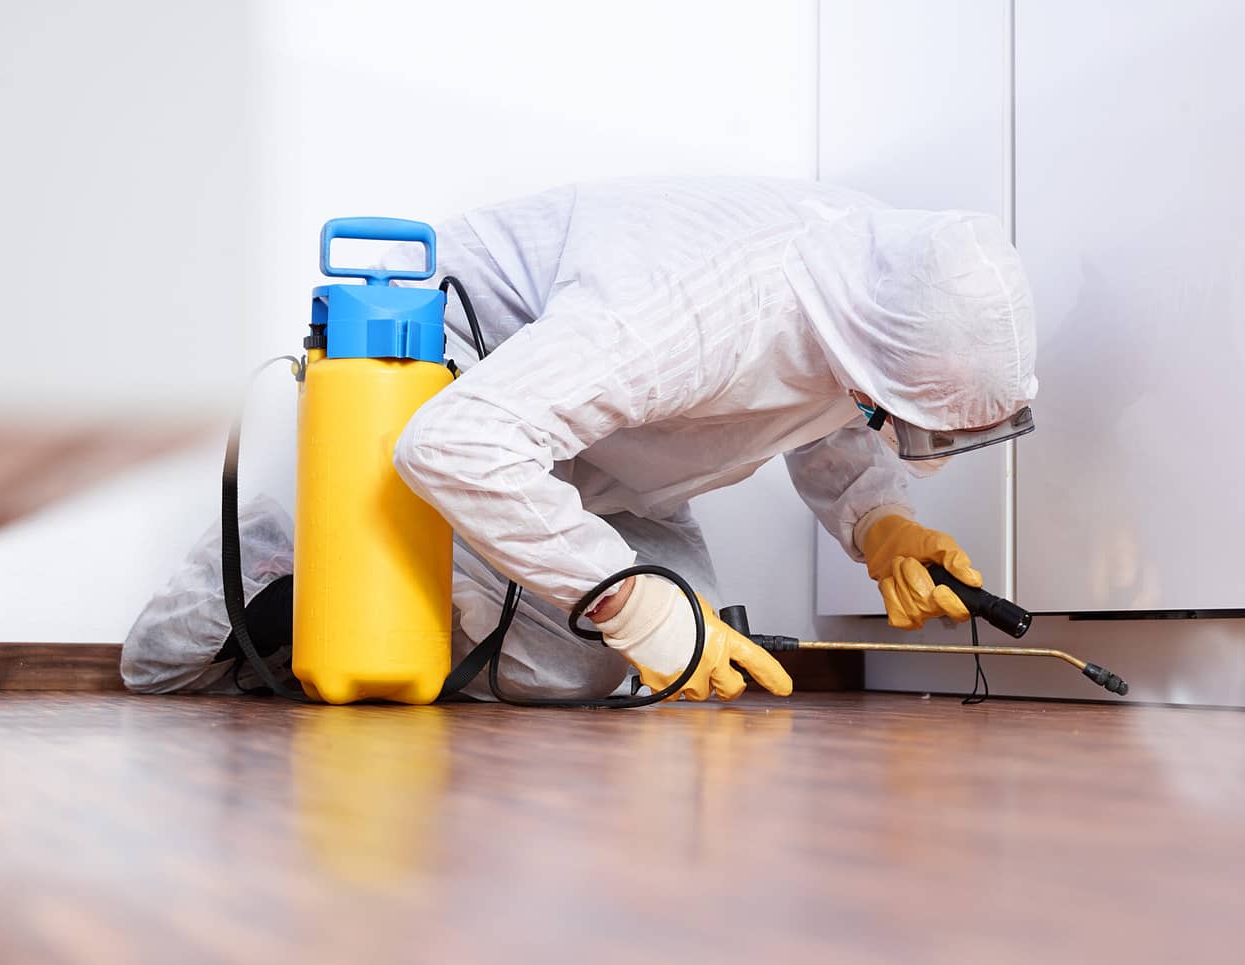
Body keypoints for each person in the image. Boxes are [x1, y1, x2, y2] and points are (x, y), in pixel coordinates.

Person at [123, 176, 1037, 703]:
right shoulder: (690, 312)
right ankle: (299, 561)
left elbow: (828, 392)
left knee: (668, 661)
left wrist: (877, 520)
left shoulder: (873, 282)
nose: (884, 425)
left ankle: (409, 591)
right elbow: (458, 444)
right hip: (461, 394)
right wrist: (631, 607)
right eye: (891, 414)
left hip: (607, 440)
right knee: (594, 654)